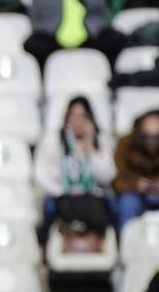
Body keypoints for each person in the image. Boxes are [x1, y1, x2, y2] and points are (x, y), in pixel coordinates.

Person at [33, 95, 115, 236]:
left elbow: (107, 176)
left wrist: (90, 149)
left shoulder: (100, 140)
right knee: (49, 207)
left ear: (90, 119)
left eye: (83, 116)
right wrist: (61, 191)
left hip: (91, 196)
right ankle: (45, 245)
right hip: (60, 194)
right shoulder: (53, 139)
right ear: (67, 118)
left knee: (114, 207)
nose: (78, 122)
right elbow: (40, 173)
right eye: (74, 116)